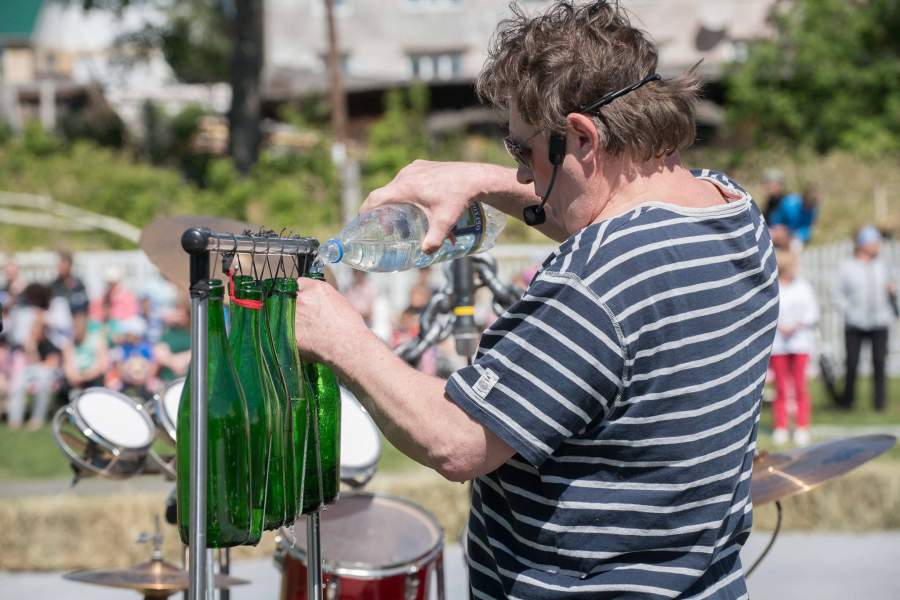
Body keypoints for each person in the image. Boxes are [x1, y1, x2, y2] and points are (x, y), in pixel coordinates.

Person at [294, 2, 778, 597]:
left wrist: (338, 336)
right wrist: (476, 179)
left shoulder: (597, 282)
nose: (521, 174)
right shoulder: (731, 211)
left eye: (522, 151)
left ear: (582, 137)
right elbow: (597, 204)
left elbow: (457, 440)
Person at [834, 226, 896, 411]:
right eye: (873, 242)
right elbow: (837, 294)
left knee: (879, 362)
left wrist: (893, 292)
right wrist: (849, 311)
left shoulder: (883, 266)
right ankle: (848, 401)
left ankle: (879, 402)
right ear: (862, 244)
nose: (877, 246)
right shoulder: (847, 266)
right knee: (852, 362)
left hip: (880, 321)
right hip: (855, 322)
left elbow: (894, 288)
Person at [770, 250, 819, 446]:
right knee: (781, 387)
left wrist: (797, 325)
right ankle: (781, 426)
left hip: (800, 343)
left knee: (800, 386)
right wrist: (781, 325)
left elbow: (812, 312)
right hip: (779, 344)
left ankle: (802, 426)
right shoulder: (774, 287)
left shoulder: (803, 287)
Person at [50, 252, 90, 318]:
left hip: (75, 317)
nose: (60, 267)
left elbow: (83, 304)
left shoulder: (78, 284)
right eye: (59, 264)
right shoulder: (54, 284)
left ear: (70, 266)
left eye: (63, 264)